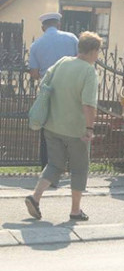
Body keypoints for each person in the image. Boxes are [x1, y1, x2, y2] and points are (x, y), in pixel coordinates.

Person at [25, 32, 102, 222]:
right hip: (76, 130)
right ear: (93, 51)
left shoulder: (62, 62)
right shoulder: (88, 72)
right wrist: (90, 129)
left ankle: (35, 198)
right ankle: (75, 210)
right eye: (98, 51)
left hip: (52, 125)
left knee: (54, 164)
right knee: (79, 168)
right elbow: (88, 105)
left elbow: (44, 84)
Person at [28, 12, 78, 170]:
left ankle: (47, 166)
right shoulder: (72, 39)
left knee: (48, 131)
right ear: (59, 24)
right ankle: (68, 165)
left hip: (48, 92)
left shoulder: (36, 45)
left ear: (43, 27)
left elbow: (35, 74)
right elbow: (82, 62)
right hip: (71, 90)